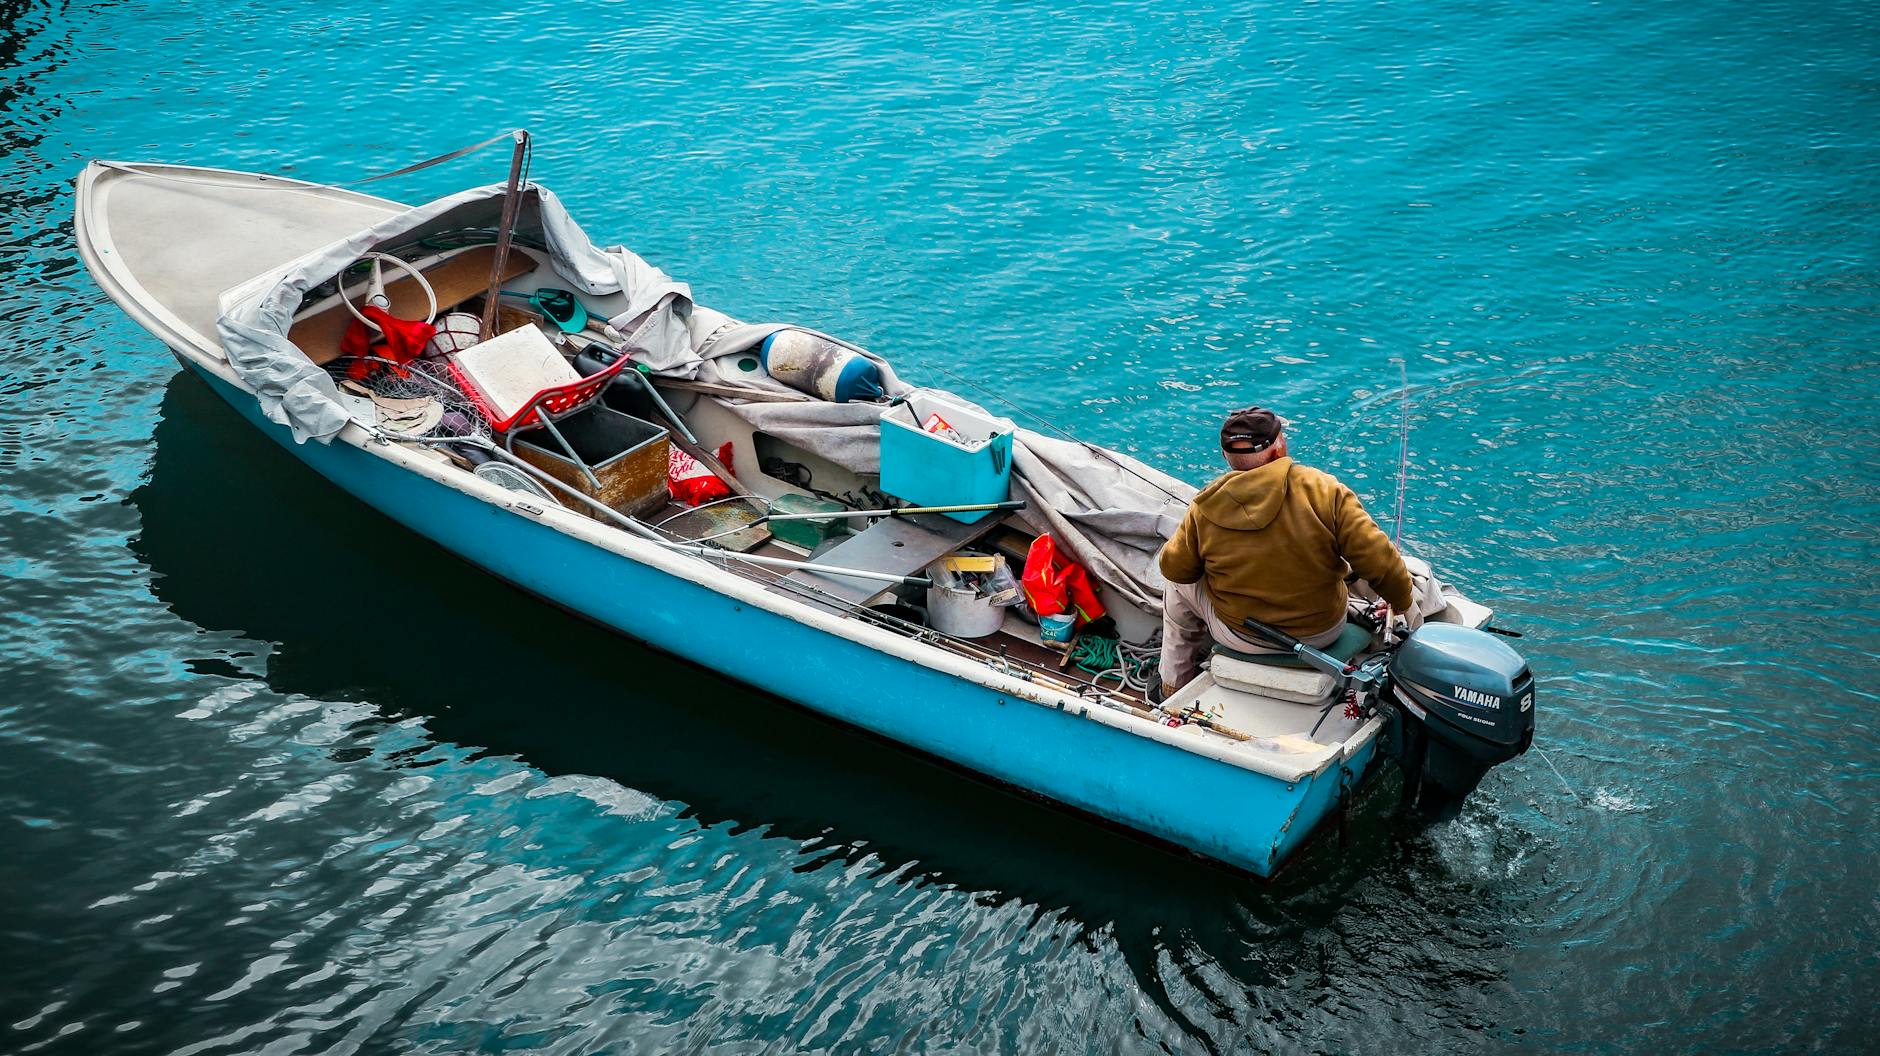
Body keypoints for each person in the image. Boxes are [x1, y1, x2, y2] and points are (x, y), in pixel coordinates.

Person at [1154, 406, 1416, 701]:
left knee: (1177, 584)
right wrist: (1402, 603)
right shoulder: (1325, 490)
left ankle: (1173, 684)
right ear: (1280, 447)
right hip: (1323, 632)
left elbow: (1175, 569)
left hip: (1243, 637)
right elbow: (1383, 564)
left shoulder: (1205, 505)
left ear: (1226, 456)